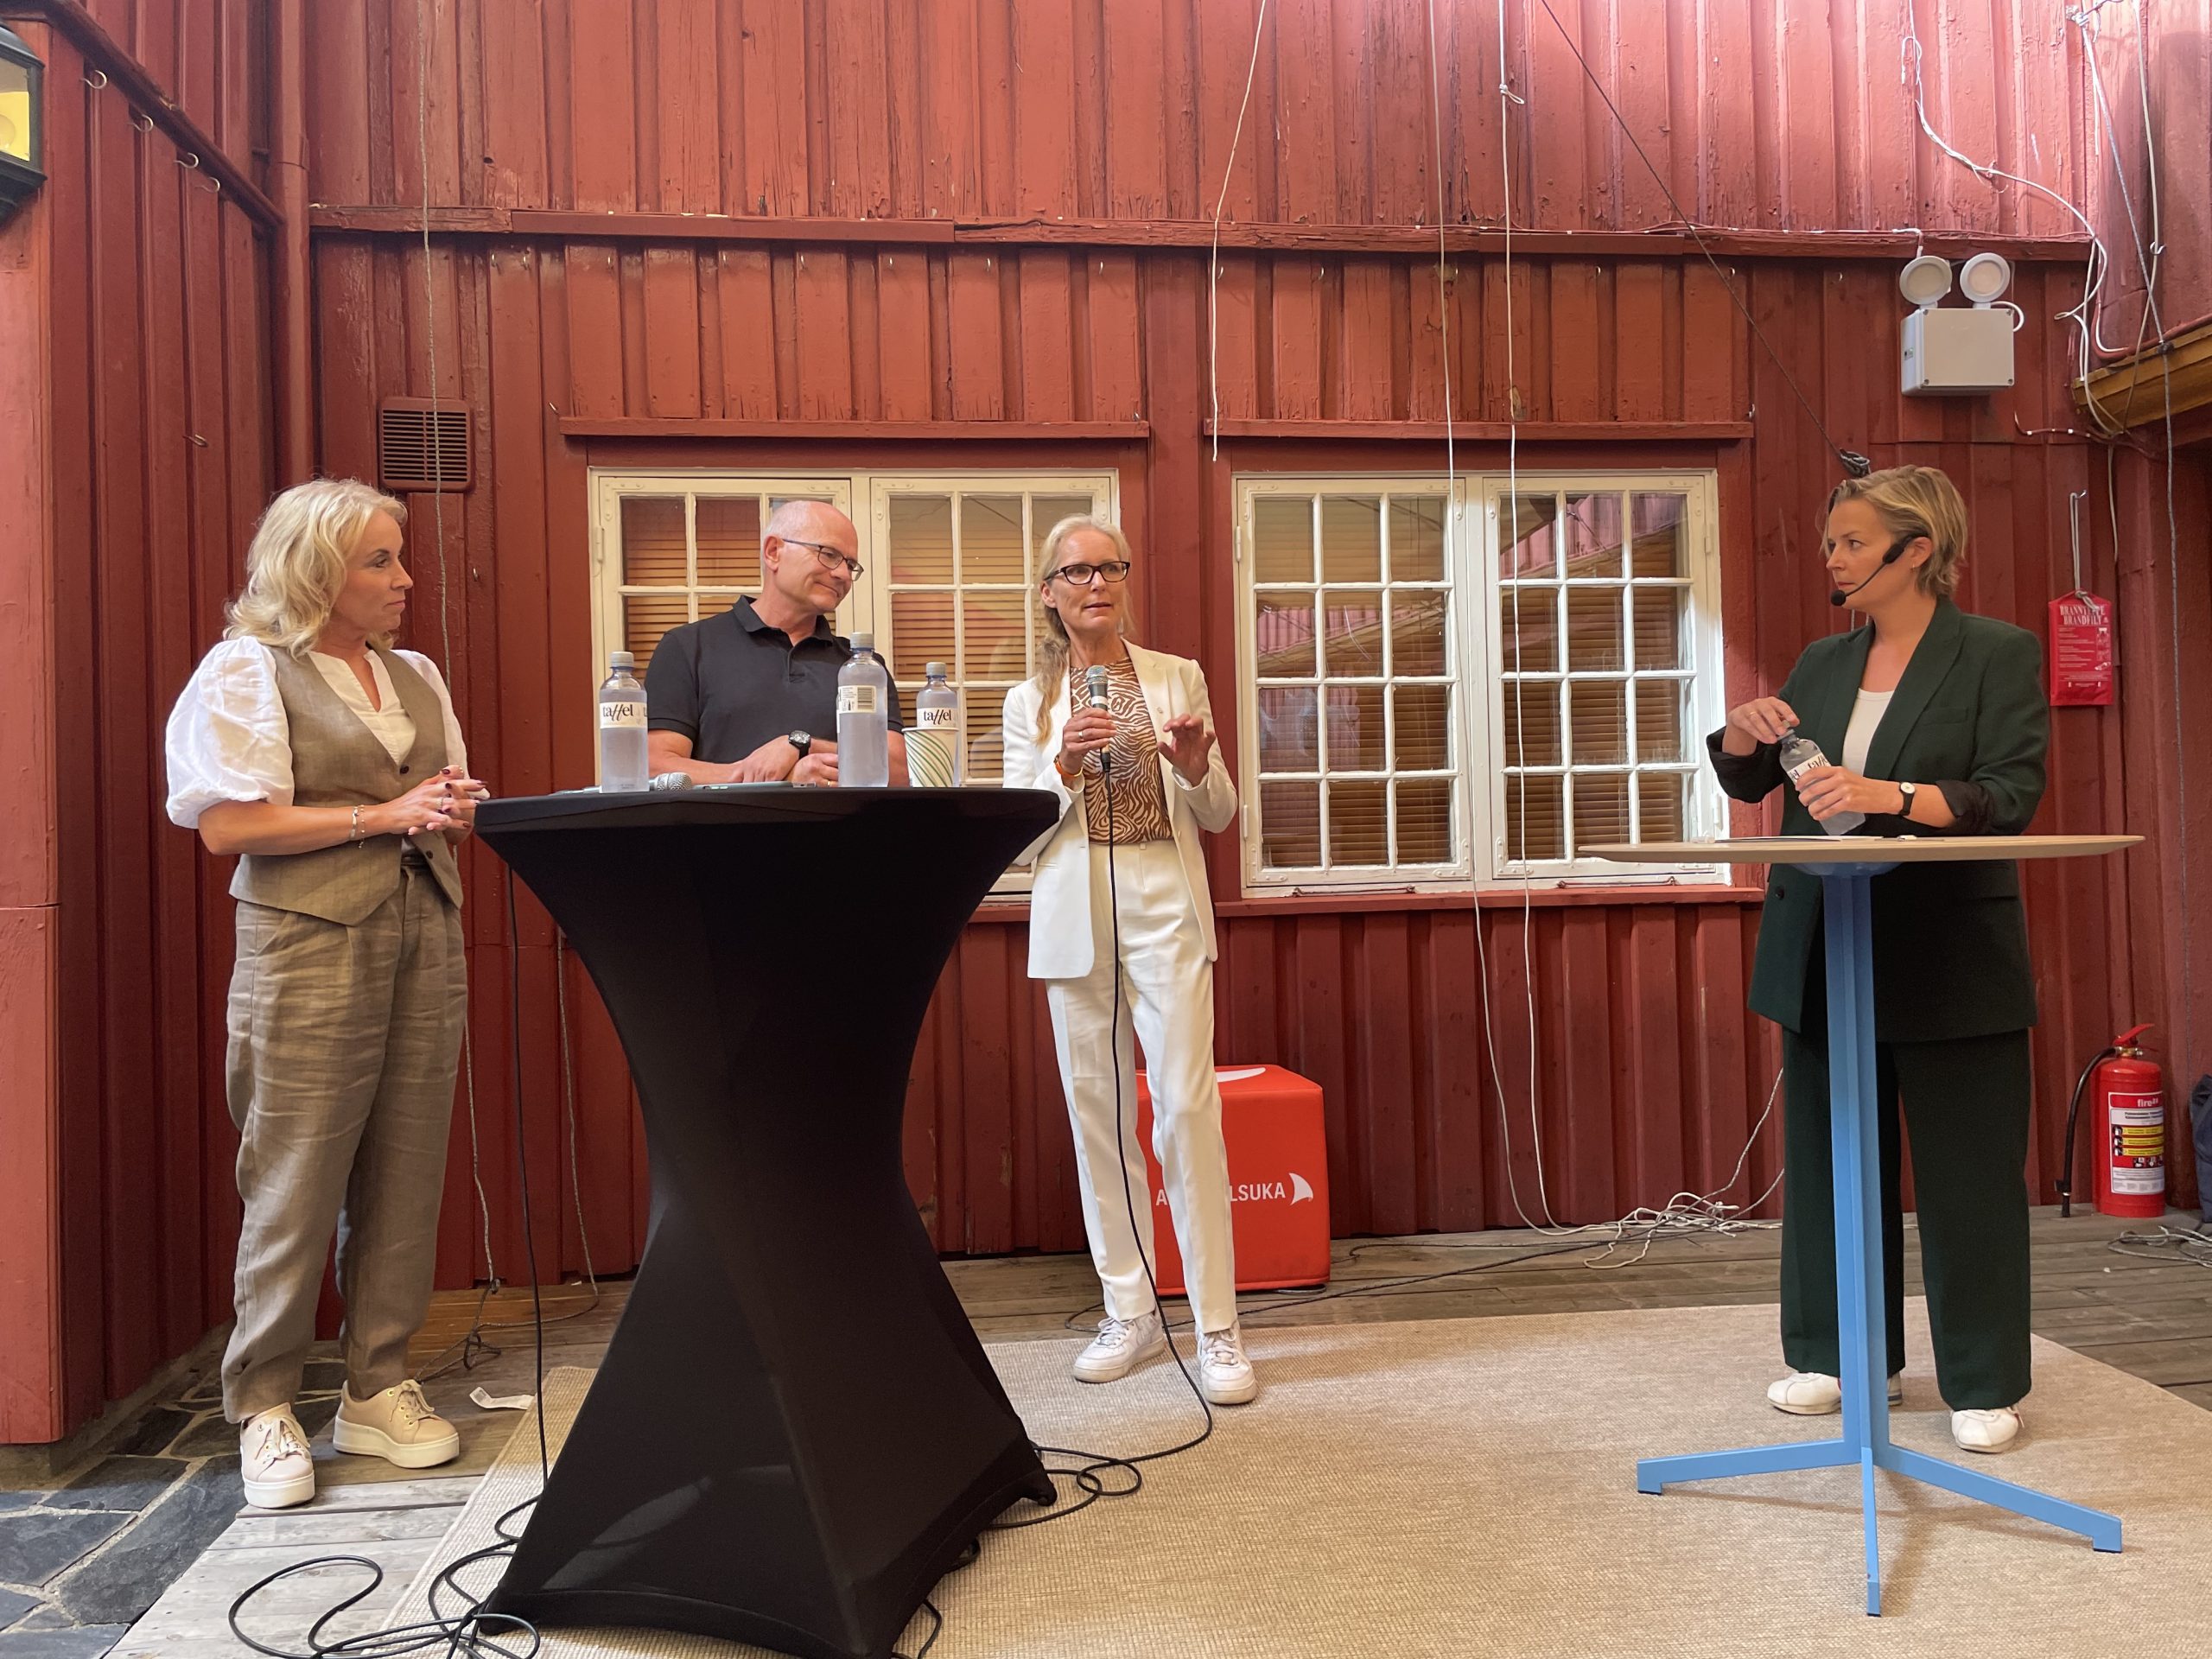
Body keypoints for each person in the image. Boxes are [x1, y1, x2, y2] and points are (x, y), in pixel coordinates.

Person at [1709, 464, 2049, 1454]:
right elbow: (1757, 784)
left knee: (1969, 1177)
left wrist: (1886, 795)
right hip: (1825, 946)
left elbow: (2006, 794)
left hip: (1950, 952)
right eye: (1831, 544)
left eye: (1852, 542)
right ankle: (1837, 1357)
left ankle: (1982, 1380)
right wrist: (1740, 735)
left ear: (1917, 549)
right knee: (1828, 1166)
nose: (1833, 559)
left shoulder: (1996, 653)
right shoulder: (1821, 662)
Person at [165, 480, 485, 1509]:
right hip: (306, 942)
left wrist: (446, 810)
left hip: (423, 929)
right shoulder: (246, 670)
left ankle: (375, 1389)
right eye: (379, 561)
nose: (405, 578)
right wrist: (383, 815)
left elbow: (430, 806)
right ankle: (263, 1403)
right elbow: (228, 828)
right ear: (315, 572)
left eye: (400, 556)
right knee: (296, 1175)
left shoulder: (413, 675)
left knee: (407, 1165)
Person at [1001, 516, 1256, 1407]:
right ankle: (1129, 1309)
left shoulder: (1177, 675)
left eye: (1110, 567)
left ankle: (1217, 1326)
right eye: (1076, 572)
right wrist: (1063, 768)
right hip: (1075, 908)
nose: (1096, 583)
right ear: (1049, 593)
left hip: (1163, 901)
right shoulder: (1027, 701)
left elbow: (1218, 813)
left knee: (1186, 1107)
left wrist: (1194, 767)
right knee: (1098, 1115)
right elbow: (1018, 840)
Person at [645, 500, 907, 785]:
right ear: (773, 552)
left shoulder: (863, 667)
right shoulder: (687, 647)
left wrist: (802, 745)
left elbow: (898, 772)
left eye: (850, 564)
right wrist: (762, 777)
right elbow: (655, 766)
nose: (843, 575)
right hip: (724, 816)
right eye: (829, 554)